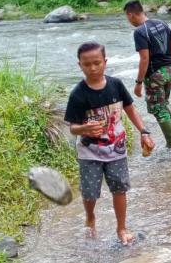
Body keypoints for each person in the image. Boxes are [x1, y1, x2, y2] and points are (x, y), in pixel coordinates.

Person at [64, 42, 154, 245]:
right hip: (90, 152)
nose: (93, 68)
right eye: (87, 64)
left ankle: (121, 228)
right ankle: (90, 217)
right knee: (90, 192)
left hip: (117, 149)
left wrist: (144, 132)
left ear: (105, 62)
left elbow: (130, 110)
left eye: (97, 63)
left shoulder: (116, 85)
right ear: (80, 65)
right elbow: (73, 127)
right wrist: (85, 129)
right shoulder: (78, 93)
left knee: (119, 188)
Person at [124, 0, 171, 148]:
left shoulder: (140, 32)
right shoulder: (161, 23)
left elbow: (145, 59)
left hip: (155, 76)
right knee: (163, 103)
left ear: (131, 15)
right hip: (170, 71)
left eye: (127, 17)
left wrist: (138, 83)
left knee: (158, 109)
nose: (128, 20)